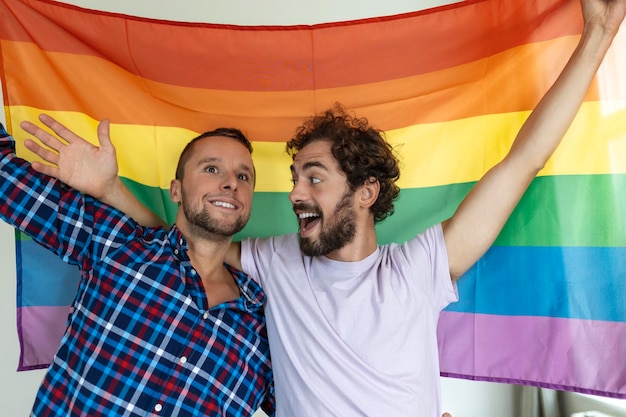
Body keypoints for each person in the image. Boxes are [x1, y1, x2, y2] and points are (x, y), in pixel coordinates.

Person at [20, 0, 626, 415]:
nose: (296, 195)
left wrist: (598, 37)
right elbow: (188, 239)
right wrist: (108, 189)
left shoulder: (417, 269)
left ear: (366, 192)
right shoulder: (272, 267)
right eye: (291, 178)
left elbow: (521, 163)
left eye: (314, 177)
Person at [1, 120, 275, 416]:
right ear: (176, 191)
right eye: (211, 169)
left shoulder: (266, 326)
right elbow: (6, 178)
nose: (232, 183)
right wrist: (109, 188)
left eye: (244, 176)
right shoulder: (118, 244)